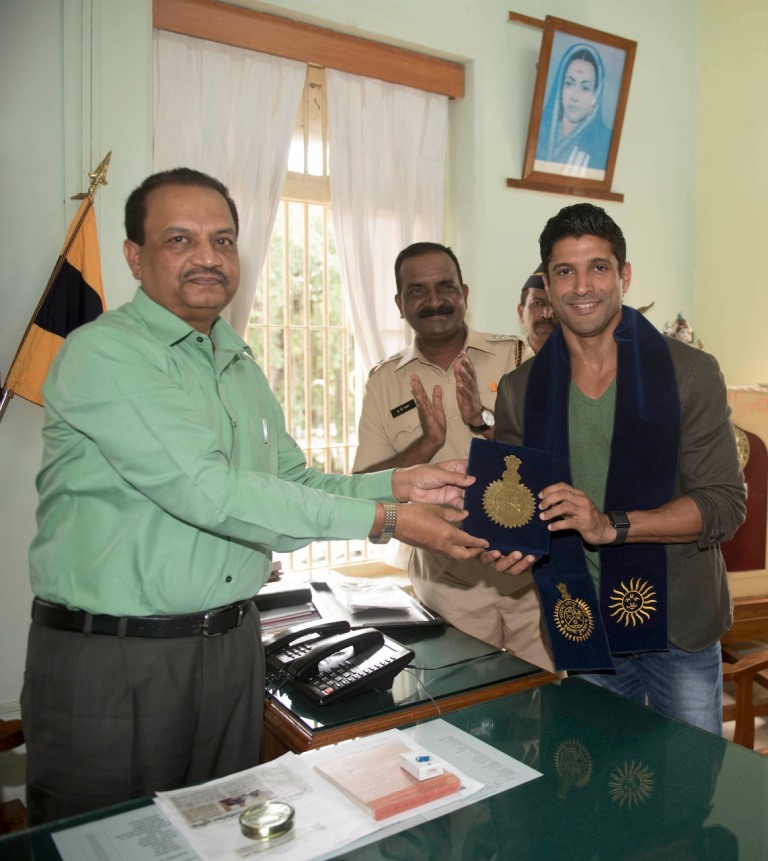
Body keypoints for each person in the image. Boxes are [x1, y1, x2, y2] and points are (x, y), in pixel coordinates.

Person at [21, 170, 489, 824]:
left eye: (223, 239)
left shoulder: (236, 363)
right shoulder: (104, 354)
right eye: (180, 239)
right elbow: (209, 491)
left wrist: (399, 482)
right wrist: (389, 518)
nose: (207, 256)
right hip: (118, 659)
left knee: (228, 837)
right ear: (135, 256)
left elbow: (291, 483)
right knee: (107, 840)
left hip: (231, 652)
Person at [488, 202, 746, 733]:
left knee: (688, 793)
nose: (583, 286)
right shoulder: (520, 391)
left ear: (624, 276)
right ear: (548, 282)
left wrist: (611, 526)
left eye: (598, 267)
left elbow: (724, 503)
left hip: (679, 625)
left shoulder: (689, 373)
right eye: (565, 271)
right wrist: (506, 539)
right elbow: (519, 506)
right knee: (595, 790)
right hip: (580, 623)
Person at [353, 242, 554, 670]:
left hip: (528, 574)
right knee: (463, 708)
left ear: (464, 292)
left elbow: (552, 456)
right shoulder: (384, 382)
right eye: (417, 291)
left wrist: (482, 422)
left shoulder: (518, 357)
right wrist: (424, 445)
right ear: (399, 303)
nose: (434, 301)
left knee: (544, 702)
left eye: (445, 287)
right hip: (446, 581)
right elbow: (363, 488)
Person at [535, 42, 613, 174]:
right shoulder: (538, 125)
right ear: (560, 86)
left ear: (596, 94)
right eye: (569, 84)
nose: (575, 97)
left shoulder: (605, 141)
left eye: (585, 88)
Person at [518, 266, 555, 354]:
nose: (547, 314)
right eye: (538, 303)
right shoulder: (504, 361)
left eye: (554, 305)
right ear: (521, 313)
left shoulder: (581, 360)